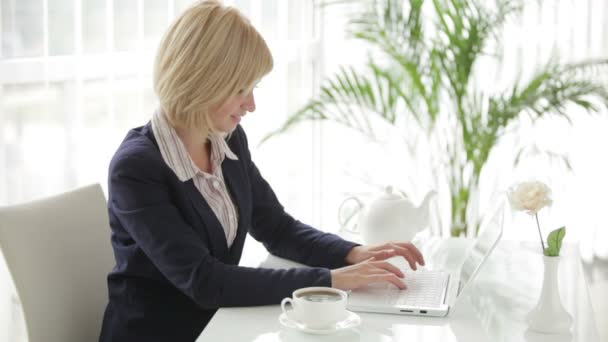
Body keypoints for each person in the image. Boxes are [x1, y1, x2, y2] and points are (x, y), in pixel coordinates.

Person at [98, 1, 425, 341]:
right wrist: (331, 280)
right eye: (241, 90)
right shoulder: (135, 169)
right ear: (201, 81)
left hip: (219, 326)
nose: (251, 104)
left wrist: (351, 254)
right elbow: (204, 281)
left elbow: (276, 228)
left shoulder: (228, 139)